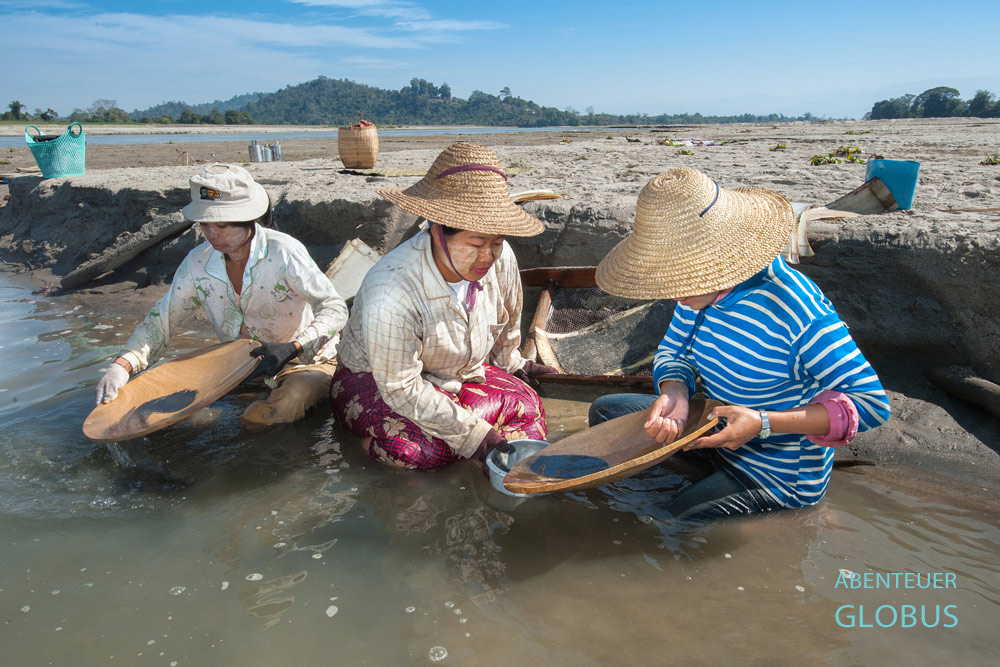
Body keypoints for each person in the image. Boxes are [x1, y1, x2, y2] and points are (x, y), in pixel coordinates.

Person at [590, 167, 890, 519]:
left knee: (678, 522)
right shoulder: (696, 293)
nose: (672, 293)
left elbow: (871, 404)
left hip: (776, 471)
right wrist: (675, 392)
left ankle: (781, 515)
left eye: (678, 279)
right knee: (605, 412)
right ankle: (707, 482)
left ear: (716, 264)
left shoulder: (795, 309)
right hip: (714, 427)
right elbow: (674, 351)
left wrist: (763, 423)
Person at [331, 142, 557, 470]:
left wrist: (513, 364)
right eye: (476, 244)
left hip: (456, 372)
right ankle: (360, 445)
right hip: (378, 379)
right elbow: (400, 387)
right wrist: (475, 436)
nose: (488, 256)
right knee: (422, 453)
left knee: (527, 407)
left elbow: (508, 322)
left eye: (496, 243)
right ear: (438, 233)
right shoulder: (392, 287)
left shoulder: (501, 258)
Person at [95, 163, 348, 426]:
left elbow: (335, 308)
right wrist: (122, 366)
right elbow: (162, 320)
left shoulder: (284, 252)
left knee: (280, 405)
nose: (212, 235)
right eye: (205, 225)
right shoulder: (198, 263)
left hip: (305, 363)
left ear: (249, 219)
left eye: (223, 226)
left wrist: (293, 347)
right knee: (175, 412)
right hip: (237, 367)